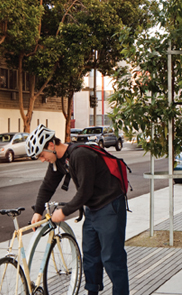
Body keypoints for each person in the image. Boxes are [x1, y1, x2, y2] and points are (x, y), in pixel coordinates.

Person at [26, 124, 129, 295]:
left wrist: (64, 211)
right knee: (90, 257)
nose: (42, 159)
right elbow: (48, 186)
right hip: (93, 209)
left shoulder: (80, 155)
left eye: (42, 155)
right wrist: (38, 211)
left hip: (110, 205)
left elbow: (85, 191)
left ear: (51, 145)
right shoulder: (58, 161)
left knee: (112, 258)